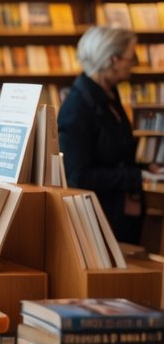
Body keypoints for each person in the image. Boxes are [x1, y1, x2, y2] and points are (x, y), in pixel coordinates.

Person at [58, 25, 158, 244]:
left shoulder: (108, 96)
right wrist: (136, 176)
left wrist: (144, 169)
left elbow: (115, 156)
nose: (136, 62)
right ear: (114, 60)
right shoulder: (77, 108)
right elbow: (78, 176)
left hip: (119, 217)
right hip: (100, 224)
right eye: (132, 56)